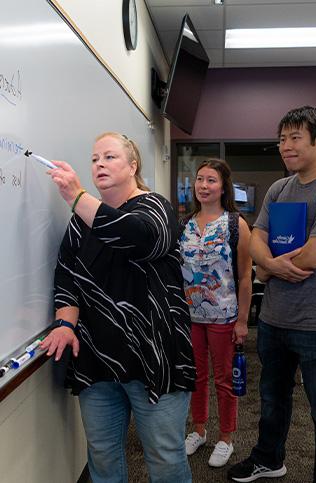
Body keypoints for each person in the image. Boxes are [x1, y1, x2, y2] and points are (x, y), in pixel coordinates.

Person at [40, 132, 195, 483]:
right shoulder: (82, 219)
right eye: (95, 159)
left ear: (132, 165)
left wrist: (77, 196)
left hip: (154, 357)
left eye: (109, 157)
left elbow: (136, 236)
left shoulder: (156, 207)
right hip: (97, 359)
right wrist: (65, 323)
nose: (99, 165)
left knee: (165, 457)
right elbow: (66, 274)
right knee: (103, 458)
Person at [228, 106, 316, 483]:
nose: (285, 146)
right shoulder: (279, 188)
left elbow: (315, 256)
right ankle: (269, 458)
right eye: (282, 138)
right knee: (272, 401)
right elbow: (255, 238)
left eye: (295, 138)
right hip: (274, 319)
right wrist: (267, 263)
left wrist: (267, 268)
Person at [180, 159, 252, 468]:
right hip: (190, 317)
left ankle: (226, 438)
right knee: (194, 378)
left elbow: (246, 276)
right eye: (199, 179)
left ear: (223, 187)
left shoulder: (235, 224)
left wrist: (243, 320)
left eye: (211, 180)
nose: (204, 185)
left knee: (224, 379)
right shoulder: (183, 224)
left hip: (225, 317)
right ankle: (198, 430)